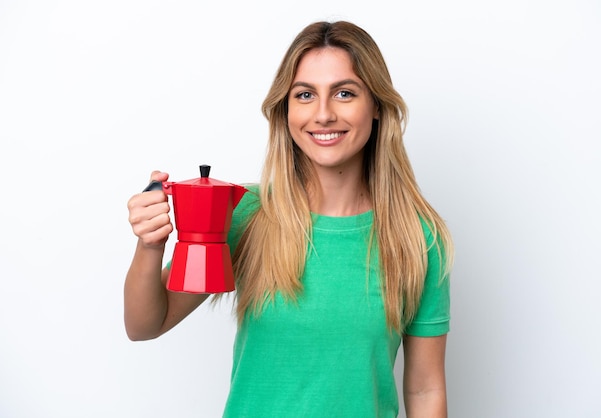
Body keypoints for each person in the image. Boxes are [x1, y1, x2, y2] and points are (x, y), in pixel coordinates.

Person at [125, 20, 454, 418]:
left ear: (378, 108)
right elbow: (145, 325)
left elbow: (424, 389)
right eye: (305, 95)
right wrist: (150, 245)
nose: (324, 114)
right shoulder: (247, 213)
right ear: (286, 111)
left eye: (344, 93)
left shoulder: (418, 238)